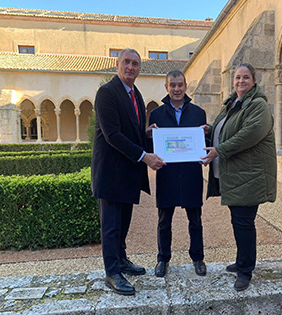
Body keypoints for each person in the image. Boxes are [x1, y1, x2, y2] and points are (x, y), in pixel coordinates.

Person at [91, 48, 165, 295]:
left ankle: (121, 260)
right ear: (117, 64)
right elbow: (112, 135)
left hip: (127, 173)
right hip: (111, 172)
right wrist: (145, 157)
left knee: (122, 224)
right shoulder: (107, 92)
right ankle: (112, 273)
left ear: (139, 68)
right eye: (127, 62)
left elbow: (129, 130)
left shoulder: (136, 93)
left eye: (135, 63)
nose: (131, 67)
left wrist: (145, 134)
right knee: (111, 226)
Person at [201, 63, 277, 291]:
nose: (240, 81)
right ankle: (242, 260)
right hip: (237, 175)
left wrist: (219, 150)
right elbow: (227, 128)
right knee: (239, 221)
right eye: (237, 78)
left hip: (250, 175)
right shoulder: (233, 103)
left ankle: (245, 271)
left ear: (254, 81)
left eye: (245, 78)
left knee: (244, 222)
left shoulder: (258, 105)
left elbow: (249, 133)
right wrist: (211, 128)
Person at [146, 70, 207, 278]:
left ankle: (198, 258)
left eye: (180, 85)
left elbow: (203, 145)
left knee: (195, 220)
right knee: (164, 221)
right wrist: (148, 135)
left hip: (191, 175)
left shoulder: (199, 113)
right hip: (167, 175)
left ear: (186, 86)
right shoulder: (156, 115)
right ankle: (163, 259)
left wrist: (205, 136)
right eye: (172, 85)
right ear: (166, 87)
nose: (177, 89)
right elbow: (152, 147)